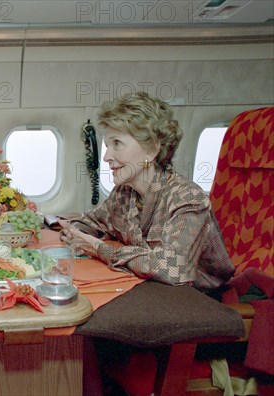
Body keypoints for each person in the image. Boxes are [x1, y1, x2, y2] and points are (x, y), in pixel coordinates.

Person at [59, 92, 235, 396]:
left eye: (117, 144)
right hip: (151, 294)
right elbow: (93, 222)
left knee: (84, 331)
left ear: (151, 150)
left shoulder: (186, 198)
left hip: (196, 310)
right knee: (77, 326)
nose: (106, 157)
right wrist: (73, 232)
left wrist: (99, 248)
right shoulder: (124, 194)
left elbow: (173, 270)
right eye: (106, 144)